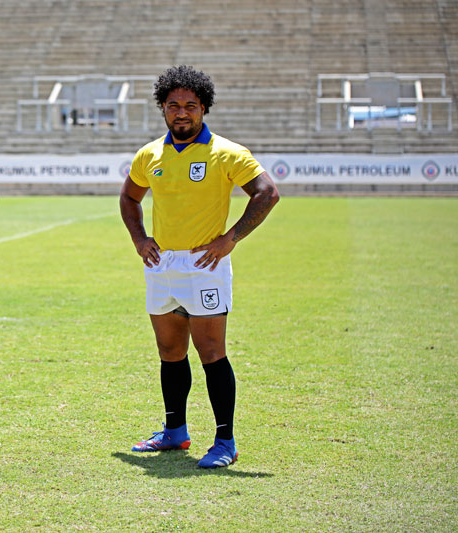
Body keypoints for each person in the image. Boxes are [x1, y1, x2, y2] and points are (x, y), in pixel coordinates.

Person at [119, 65, 279, 468]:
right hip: (161, 264)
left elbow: (267, 193)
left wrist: (230, 239)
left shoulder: (227, 153)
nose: (182, 113)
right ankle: (175, 431)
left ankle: (225, 441)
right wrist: (140, 240)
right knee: (169, 351)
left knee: (210, 352)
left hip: (205, 264)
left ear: (204, 108)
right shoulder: (149, 154)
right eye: (173, 105)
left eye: (191, 105)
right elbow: (129, 198)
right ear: (163, 109)